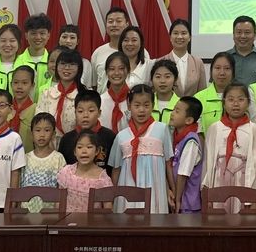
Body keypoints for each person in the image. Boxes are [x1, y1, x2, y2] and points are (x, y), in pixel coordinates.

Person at [109, 85, 174, 213]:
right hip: (127, 188)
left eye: (146, 105)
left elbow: (167, 164)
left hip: (155, 187)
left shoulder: (162, 129)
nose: (141, 110)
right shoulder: (121, 136)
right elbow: (116, 170)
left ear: (153, 105)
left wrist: (171, 189)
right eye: (137, 105)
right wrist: (112, 197)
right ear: (129, 106)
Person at [202, 82, 256, 189]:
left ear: (248, 103)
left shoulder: (254, 130)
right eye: (231, 99)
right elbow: (208, 160)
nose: (236, 104)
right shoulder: (214, 128)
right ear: (223, 103)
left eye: (241, 99)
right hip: (219, 181)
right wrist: (205, 186)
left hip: (244, 182)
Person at [58, 90, 115, 175]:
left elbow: (114, 169)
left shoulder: (110, 137)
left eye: (91, 111)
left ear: (99, 113)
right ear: (75, 112)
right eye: (80, 111)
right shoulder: (66, 139)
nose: (85, 115)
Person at [35, 49, 86, 144]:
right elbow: (38, 123)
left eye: (72, 64)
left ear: (79, 68)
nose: (66, 68)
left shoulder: (84, 95)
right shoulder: (46, 93)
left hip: (76, 144)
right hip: (49, 144)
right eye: (62, 64)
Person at [57, 130, 113, 212]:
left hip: (93, 220)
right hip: (67, 219)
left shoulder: (103, 179)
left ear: (97, 151)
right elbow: (59, 202)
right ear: (74, 152)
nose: (84, 151)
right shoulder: (66, 173)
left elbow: (108, 209)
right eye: (79, 147)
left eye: (89, 147)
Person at [19, 112, 65, 211]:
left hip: (49, 212)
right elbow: (20, 186)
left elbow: (61, 189)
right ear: (31, 134)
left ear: (53, 134)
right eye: (38, 130)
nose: (42, 135)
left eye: (47, 130)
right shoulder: (25, 158)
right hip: (26, 211)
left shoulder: (58, 158)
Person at [169, 97, 204, 213]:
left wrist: (178, 199)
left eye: (177, 111)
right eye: (173, 109)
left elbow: (183, 173)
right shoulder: (176, 136)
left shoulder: (191, 141)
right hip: (179, 198)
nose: (172, 113)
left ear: (188, 120)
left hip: (188, 203)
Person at [91, 8, 133, 93]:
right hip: (103, 100)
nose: (114, 25)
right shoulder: (98, 52)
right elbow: (94, 84)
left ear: (127, 25)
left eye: (118, 21)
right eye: (110, 21)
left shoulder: (139, 52)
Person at [162, 19, 207, 96]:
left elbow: (202, 93)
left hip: (192, 104)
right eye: (175, 33)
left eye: (183, 33)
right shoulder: (161, 62)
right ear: (170, 37)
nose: (179, 37)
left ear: (189, 37)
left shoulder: (198, 63)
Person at [194, 52, 236, 131]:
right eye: (217, 68)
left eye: (227, 68)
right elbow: (197, 130)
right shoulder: (199, 98)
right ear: (211, 71)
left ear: (233, 73)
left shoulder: (241, 97)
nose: (222, 73)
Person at [15, 14, 53, 100]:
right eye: (33, 33)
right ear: (26, 35)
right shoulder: (16, 61)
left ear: (48, 35)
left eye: (42, 33)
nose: (38, 37)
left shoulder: (54, 63)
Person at [228, 16, 256, 86]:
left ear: (255, 35)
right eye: (239, 32)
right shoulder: (224, 58)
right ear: (233, 35)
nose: (243, 36)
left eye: (247, 32)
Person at [8, 65, 37, 150]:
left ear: (32, 85)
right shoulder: (5, 108)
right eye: (16, 82)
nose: (19, 87)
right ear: (11, 84)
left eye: (24, 83)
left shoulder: (36, 110)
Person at [100, 52, 131, 132]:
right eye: (112, 69)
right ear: (106, 72)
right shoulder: (100, 101)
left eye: (121, 68)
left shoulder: (133, 100)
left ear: (128, 70)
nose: (116, 73)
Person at [150, 60, 181, 124]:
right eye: (158, 77)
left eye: (167, 77)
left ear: (175, 79)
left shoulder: (181, 105)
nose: (162, 81)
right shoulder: (146, 104)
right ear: (152, 79)